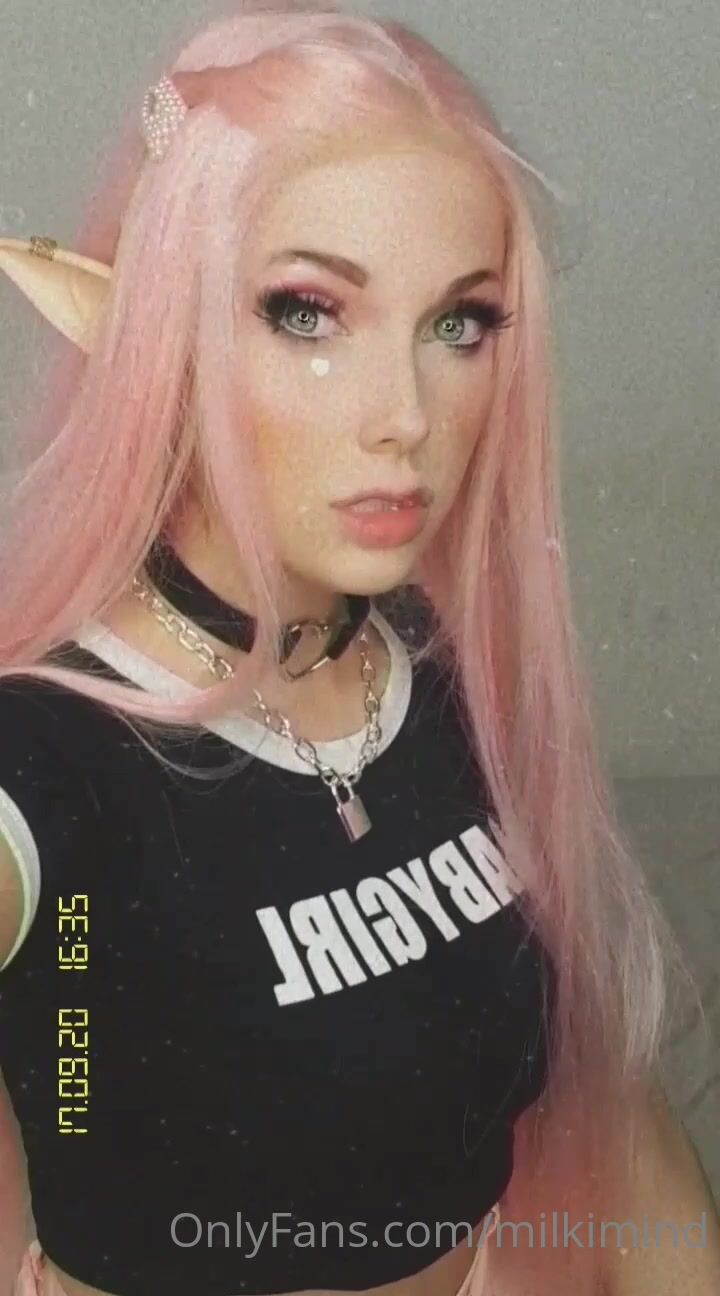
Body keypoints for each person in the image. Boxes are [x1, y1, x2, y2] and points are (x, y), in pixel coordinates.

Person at [0, 3, 718, 1295]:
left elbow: (607, 1112)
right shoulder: (48, 765)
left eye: (460, 324)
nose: (406, 417)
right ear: (158, 328)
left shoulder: (441, 665)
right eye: (308, 312)